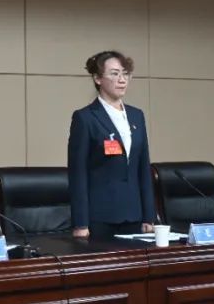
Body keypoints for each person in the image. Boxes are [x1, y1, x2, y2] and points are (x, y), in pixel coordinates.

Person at [67, 50, 156, 239]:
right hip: (100, 217)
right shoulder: (85, 118)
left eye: (125, 74)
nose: (122, 80)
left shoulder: (137, 116)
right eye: (114, 74)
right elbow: (78, 174)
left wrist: (149, 215)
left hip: (134, 215)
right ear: (98, 78)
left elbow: (143, 167)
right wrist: (81, 223)